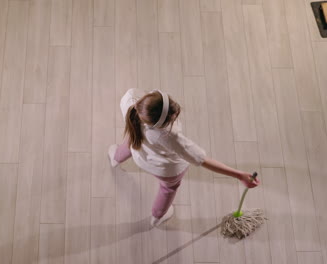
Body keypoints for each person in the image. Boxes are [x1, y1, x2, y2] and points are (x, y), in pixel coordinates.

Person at [108, 89, 260, 227]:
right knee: (168, 188)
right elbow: (201, 159)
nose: (176, 115)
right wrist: (240, 175)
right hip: (164, 169)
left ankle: (115, 158)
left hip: (139, 154)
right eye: (173, 117)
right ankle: (158, 216)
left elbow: (135, 94)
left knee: (130, 141)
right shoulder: (169, 136)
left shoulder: (132, 107)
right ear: (163, 124)